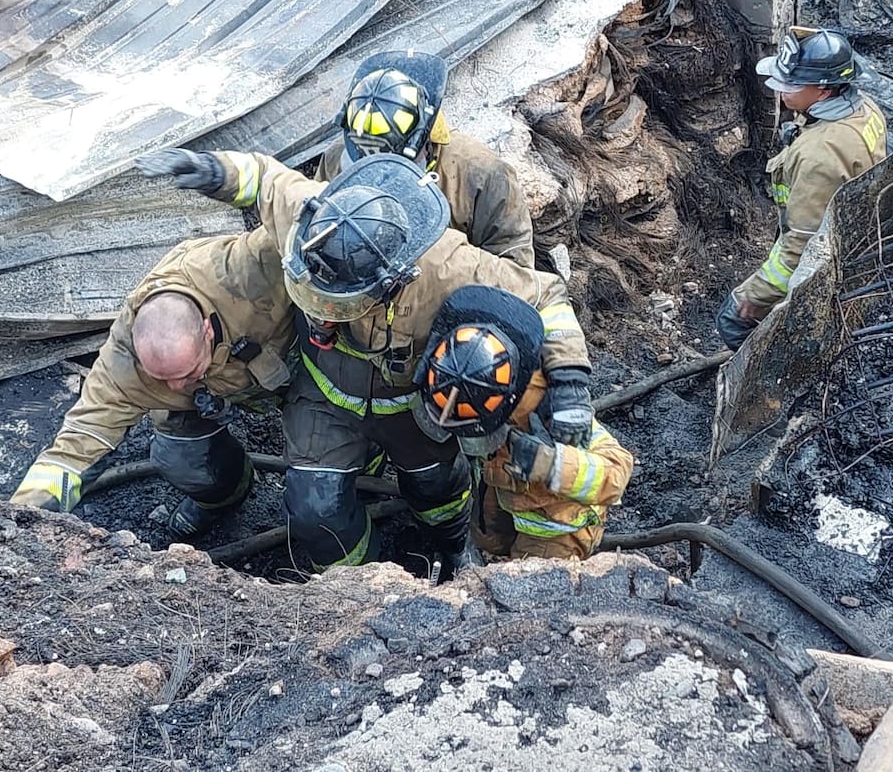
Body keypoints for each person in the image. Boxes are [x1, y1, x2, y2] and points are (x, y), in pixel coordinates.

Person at [137, 148, 592, 575]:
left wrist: (570, 382)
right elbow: (263, 180)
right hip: (323, 395)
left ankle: (452, 546)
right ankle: (356, 582)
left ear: (393, 278)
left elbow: (545, 294)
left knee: (437, 490)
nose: (321, 315)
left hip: (408, 403)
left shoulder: (448, 267)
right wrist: (211, 170)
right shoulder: (318, 219)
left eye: (337, 304)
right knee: (314, 511)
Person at [9, 231, 295, 538]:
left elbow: (303, 223)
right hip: (214, 394)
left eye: (186, 372)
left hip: (301, 368)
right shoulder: (123, 361)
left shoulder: (249, 269)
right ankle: (224, 498)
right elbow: (78, 445)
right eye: (161, 377)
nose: (175, 387)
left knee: (317, 493)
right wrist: (20, 517)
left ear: (207, 332)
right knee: (181, 459)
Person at [414, 285, 634, 560]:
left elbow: (618, 472)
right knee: (487, 540)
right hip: (504, 489)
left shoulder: (546, 406)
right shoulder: (457, 364)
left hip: (554, 527)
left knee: (525, 579)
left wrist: (551, 464)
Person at [717, 27, 888, 350]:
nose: (781, 91)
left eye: (791, 85)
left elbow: (802, 244)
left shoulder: (820, 156)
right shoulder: (863, 108)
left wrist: (755, 295)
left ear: (823, 90)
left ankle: (771, 358)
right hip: (857, 231)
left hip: (828, 252)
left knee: (731, 320)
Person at [316, 50, 535, 267]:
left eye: (394, 166)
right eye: (366, 167)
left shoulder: (483, 175)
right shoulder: (338, 157)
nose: (380, 176)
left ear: (422, 140)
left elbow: (516, 270)